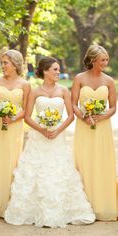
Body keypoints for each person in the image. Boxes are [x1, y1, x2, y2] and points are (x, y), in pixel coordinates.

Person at [4, 56, 95, 228]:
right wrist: (42, 130)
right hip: (39, 138)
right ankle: (33, 211)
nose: (58, 72)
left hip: (57, 138)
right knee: (36, 172)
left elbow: (70, 115)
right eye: (55, 69)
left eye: (58, 69)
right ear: (45, 71)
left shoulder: (63, 91)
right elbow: (28, 117)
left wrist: (57, 130)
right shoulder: (35, 92)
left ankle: (62, 210)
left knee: (59, 171)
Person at [0, 49, 31, 217]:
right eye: (1, 63)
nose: (2, 66)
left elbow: (26, 110)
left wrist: (13, 119)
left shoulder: (25, 85)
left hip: (14, 127)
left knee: (11, 162)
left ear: (15, 65)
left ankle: (9, 205)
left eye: (5, 63)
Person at [71, 45, 117, 221]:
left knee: (101, 162)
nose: (105, 63)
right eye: (102, 60)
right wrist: (83, 117)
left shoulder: (109, 81)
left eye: (106, 59)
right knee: (84, 161)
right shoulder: (79, 78)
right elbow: (73, 103)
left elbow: (113, 107)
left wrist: (102, 116)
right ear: (92, 60)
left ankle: (102, 205)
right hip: (84, 126)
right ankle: (83, 205)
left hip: (102, 127)